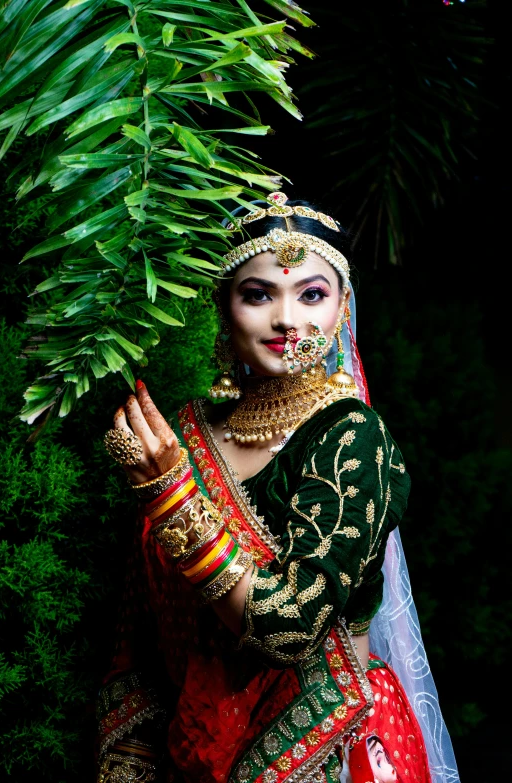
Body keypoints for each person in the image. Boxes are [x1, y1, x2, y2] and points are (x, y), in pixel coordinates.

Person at [99, 194, 458, 783]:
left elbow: (287, 627)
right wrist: (130, 758)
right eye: (258, 294)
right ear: (224, 308)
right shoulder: (185, 433)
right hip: (180, 747)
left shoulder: (351, 438)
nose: (287, 319)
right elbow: (142, 624)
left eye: (312, 294)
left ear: (342, 309)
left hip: (319, 747)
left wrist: (173, 498)